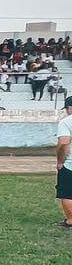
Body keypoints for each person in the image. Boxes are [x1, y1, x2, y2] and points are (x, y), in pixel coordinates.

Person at [56, 96, 72, 228]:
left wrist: (60, 161)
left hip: (70, 165)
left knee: (66, 192)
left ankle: (71, 220)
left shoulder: (66, 122)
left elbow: (63, 143)